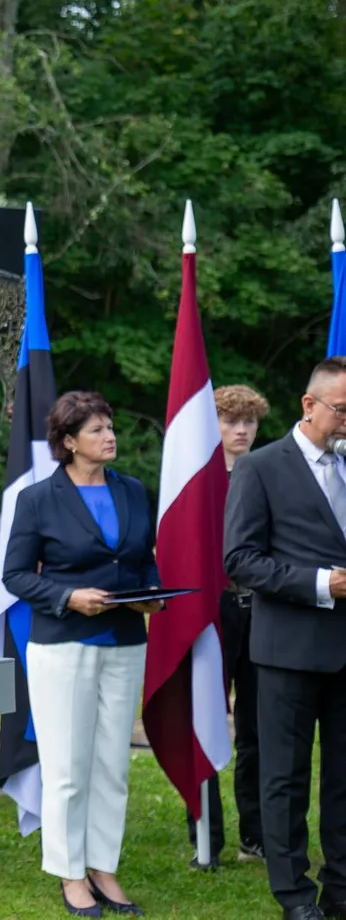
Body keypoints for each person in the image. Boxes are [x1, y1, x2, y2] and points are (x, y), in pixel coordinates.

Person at [2, 390, 163, 918]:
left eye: (110, 425)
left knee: (112, 763)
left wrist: (154, 596)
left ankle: (103, 867)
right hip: (62, 644)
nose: (109, 435)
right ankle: (71, 874)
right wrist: (69, 597)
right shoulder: (38, 499)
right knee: (68, 767)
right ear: (68, 443)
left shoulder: (135, 491)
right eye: (96, 430)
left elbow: (143, 563)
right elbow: (16, 576)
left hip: (123, 641)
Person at [224, 358, 346, 920]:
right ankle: (294, 895)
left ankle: (342, 885)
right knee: (285, 778)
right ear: (309, 404)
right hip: (287, 652)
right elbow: (241, 559)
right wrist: (321, 583)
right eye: (342, 411)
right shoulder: (262, 469)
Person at [186, 384, 269, 869]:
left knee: (257, 726)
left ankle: (254, 833)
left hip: (261, 610)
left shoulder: (271, 473)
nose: (240, 430)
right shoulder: (195, 477)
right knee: (205, 720)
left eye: (249, 422)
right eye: (230, 421)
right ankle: (205, 835)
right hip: (210, 612)